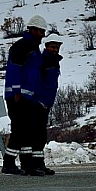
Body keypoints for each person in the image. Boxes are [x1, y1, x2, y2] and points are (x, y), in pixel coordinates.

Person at [3, 15, 47, 176]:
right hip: (18, 96)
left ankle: (27, 165)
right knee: (19, 130)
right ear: (33, 30)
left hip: (28, 97)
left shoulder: (34, 48)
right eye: (41, 31)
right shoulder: (22, 46)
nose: (43, 35)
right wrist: (16, 91)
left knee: (27, 131)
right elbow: (15, 69)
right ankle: (8, 163)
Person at [33, 32, 64, 176]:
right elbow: (36, 80)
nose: (55, 50)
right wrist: (37, 99)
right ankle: (34, 164)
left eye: (57, 47)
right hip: (38, 102)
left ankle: (39, 164)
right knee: (36, 134)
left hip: (47, 102)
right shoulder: (42, 61)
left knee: (41, 135)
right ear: (46, 47)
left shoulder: (54, 62)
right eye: (53, 47)